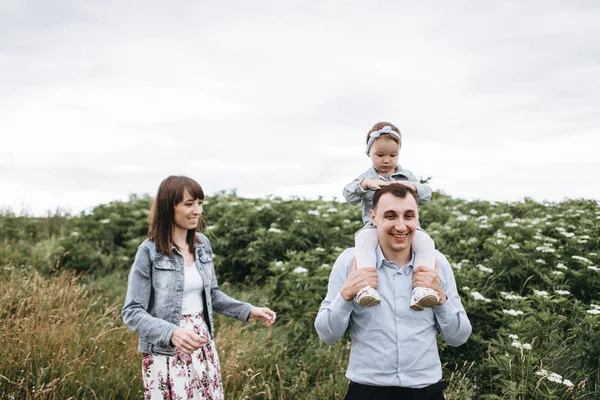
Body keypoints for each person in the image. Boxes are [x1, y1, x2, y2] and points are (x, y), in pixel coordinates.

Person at [122, 175, 276, 399]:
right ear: (168, 207)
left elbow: (211, 295)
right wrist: (172, 332)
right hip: (166, 350)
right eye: (189, 204)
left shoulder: (202, 245)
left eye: (200, 203)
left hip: (202, 344)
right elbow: (132, 311)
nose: (197, 211)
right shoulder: (149, 251)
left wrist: (249, 310)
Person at [315, 184, 471, 400]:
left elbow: (459, 337)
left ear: (417, 218)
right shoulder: (350, 262)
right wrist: (345, 295)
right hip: (367, 390)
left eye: (408, 216)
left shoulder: (437, 263)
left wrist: (441, 300)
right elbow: (326, 334)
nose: (401, 226)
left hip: (426, 390)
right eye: (390, 216)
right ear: (373, 218)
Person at [343, 122, 439, 310]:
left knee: (426, 243)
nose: (386, 160)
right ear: (369, 153)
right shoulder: (366, 176)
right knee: (363, 241)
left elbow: (427, 194)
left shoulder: (406, 176)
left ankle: (421, 289)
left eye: (393, 155)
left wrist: (412, 187)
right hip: (375, 228)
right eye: (380, 155)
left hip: (409, 228)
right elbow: (349, 196)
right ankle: (366, 287)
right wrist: (364, 184)